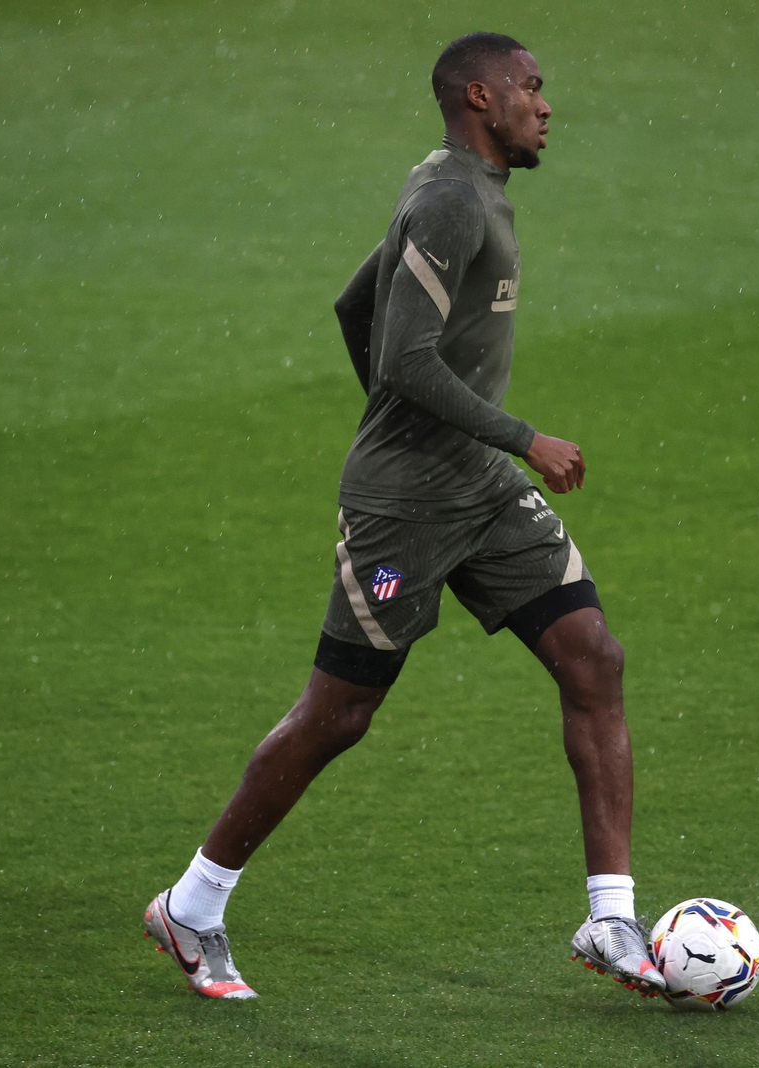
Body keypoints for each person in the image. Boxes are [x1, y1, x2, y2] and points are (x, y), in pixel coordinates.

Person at [142, 31, 665, 1001]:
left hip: (476, 489)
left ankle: (611, 918)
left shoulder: (467, 192)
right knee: (339, 714)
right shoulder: (447, 200)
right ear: (481, 96)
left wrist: (445, 440)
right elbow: (402, 359)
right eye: (530, 89)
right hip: (406, 510)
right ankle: (191, 905)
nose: (545, 106)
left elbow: (355, 306)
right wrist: (519, 438)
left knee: (593, 655)